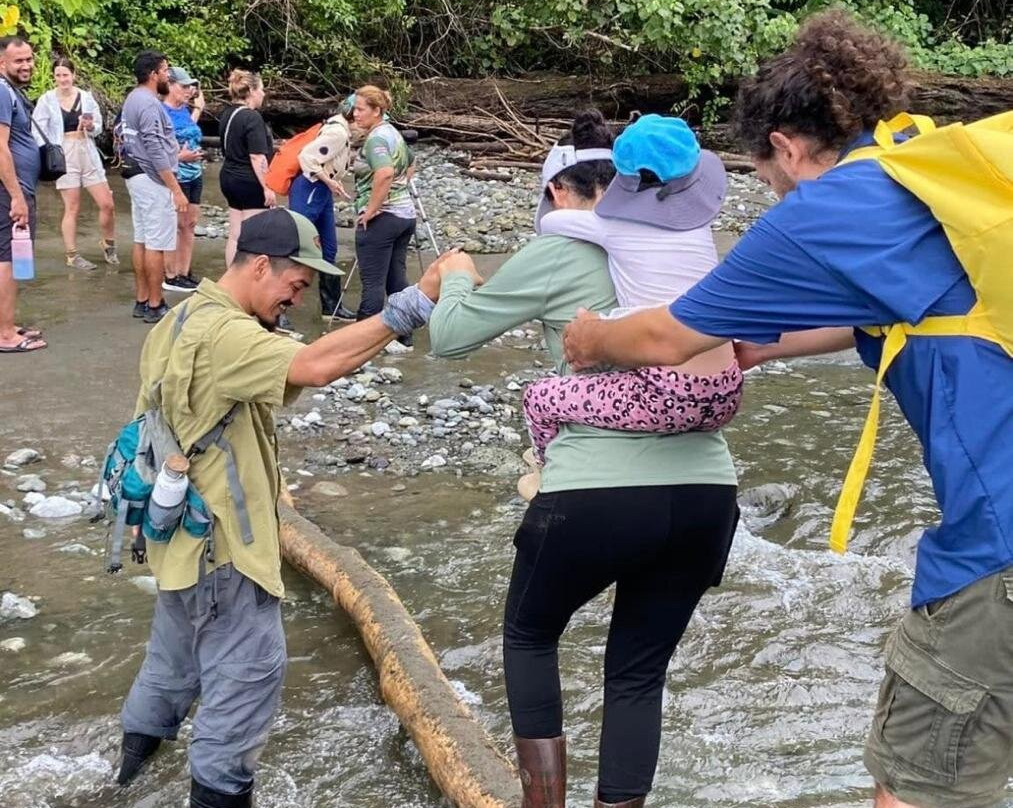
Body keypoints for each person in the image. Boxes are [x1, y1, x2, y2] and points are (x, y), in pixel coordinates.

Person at [562, 12, 1012, 808]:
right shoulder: (926, 172)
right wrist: (771, 347)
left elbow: (667, 336)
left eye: (760, 171)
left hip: (997, 547)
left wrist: (594, 338)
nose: (765, 187)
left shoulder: (822, 210)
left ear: (785, 145)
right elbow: (923, 311)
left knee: (914, 788)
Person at [426, 111, 739, 808]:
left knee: (529, 636)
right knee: (636, 675)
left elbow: (448, 339)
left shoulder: (558, 249)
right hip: (705, 492)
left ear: (561, 195)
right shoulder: (694, 242)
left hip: (594, 493)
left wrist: (454, 276)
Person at [115, 207, 468, 808]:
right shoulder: (226, 334)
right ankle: (219, 793)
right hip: (225, 549)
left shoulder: (180, 320)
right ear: (259, 266)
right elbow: (317, 365)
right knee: (247, 680)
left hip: (175, 537)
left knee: (171, 665)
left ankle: (123, 782)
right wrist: (418, 299)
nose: (296, 301)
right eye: (294, 286)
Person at [524, 114, 742, 464]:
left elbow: (551, 221)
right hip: (726, 390)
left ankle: (546, 468)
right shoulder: (699, 225)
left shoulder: (613, 226)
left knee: (540, 397)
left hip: (666, 394)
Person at [32, 56, 118, 271]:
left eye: (66, 75)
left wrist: (90, 126)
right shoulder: (46, 100)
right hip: (64, 152)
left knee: (107, 203)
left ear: (73, 75)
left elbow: (98, 126)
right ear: (54, 77)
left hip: (86, 150)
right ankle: (72, 254)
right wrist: (50, 152)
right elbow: (37, 131)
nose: (62, 79)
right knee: (73, 206)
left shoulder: (86, 97)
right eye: (58, 75)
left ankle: (108, 243)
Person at [121, 50, 188, 324]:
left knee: (142, 239)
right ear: (153, 75)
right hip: (152, 178)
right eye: (165, 71)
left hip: (135, 174)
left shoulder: (133, 98)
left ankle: (141, 298)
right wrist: (175, 189)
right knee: (157, 244)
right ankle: (155, 302)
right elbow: (154, 146)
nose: (167, 76)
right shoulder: (148, 104)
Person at [350, 85, 416, 351]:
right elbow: (410, 162)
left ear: (377, 111)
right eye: (354, 108)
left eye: (360, 109)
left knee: (373, 284)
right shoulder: (393, 133)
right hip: (405, 216)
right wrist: (399, 189)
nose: (355, 114)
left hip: (383, 219)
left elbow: (385, 172)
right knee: (396, 281)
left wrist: (372, 208)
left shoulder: (376, 139)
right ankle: (404, 337)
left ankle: (360, 345)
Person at [0, 36, 43, 354]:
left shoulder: (10, 92)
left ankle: (7, 323)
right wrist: (16, 196)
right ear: (3, 63)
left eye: (29, 59)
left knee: (11, 259)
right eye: (19, 61)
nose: (26, 65)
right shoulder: (2, 91)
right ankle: (5, 335)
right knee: (8, 261)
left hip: (14, 190)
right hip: (8, 193)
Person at [289, 111, 354, 321]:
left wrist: (332, 181)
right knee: (296, 247)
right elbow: (306, 157)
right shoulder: (338, 133)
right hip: (310, 188)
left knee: (329, 248)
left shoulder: (340, 129)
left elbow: (328, 162)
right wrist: (328, 180)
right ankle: (278, 310)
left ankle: (331, 307)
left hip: (322, 190)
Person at [218, 70, 274, 268]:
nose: (263, 94)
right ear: (251, 91)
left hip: (228, 176)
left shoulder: (227, 113)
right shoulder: (252, 117)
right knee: (254, 236)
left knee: (235, 234)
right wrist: (267, 186)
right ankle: (248, 280)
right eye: (261, 89)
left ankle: (231, 276)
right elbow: (256, 156)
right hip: (249, 181)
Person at [162, 65, 205, 292]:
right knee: (175, 225)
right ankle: (170, 274)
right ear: (169, 86)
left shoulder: (184, 110)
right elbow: (157, 151)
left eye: (190, 86)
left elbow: (190, 129)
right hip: (176, 174)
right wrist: (181, 156)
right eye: (184, 86)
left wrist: (198, 106)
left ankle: (184, 271)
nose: (188, 90)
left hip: (195, 173)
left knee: (190, 224)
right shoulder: (161, 111)